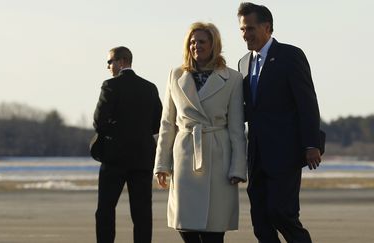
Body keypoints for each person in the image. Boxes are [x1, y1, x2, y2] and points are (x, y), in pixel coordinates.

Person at [237, 3, 323, 243]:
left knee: (282, 214)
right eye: (242, 30)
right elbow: (248, 110)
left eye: (251, 28)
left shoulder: (290, 56)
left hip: (285, 153)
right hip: (256, 155)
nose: (246, 34)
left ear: (267, 27)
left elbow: (307, 102)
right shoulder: (243, 63)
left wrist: (311, 144)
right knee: (260, 222)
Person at [154, 22, 247, 243]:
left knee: (215, 229)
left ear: (213, 44)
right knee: (185, 225)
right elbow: (167, 124)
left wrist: (238, 167)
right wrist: (161, 165)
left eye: (202, 41)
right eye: (192, 42)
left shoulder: (232, 78)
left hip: (218, 155)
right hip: (185, 154)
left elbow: (236, 128)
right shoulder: (175, 75)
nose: (196, 46)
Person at [93, 46, 162, 243]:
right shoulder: (150, 87)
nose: (108, 66)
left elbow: (99, 122)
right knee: (142, 213)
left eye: (110, 62)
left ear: (122, 61)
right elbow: (158, 123)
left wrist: (115, 131)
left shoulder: (110, 86)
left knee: (105, 210)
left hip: (115, 157)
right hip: (143, 156)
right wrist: (139, 132)